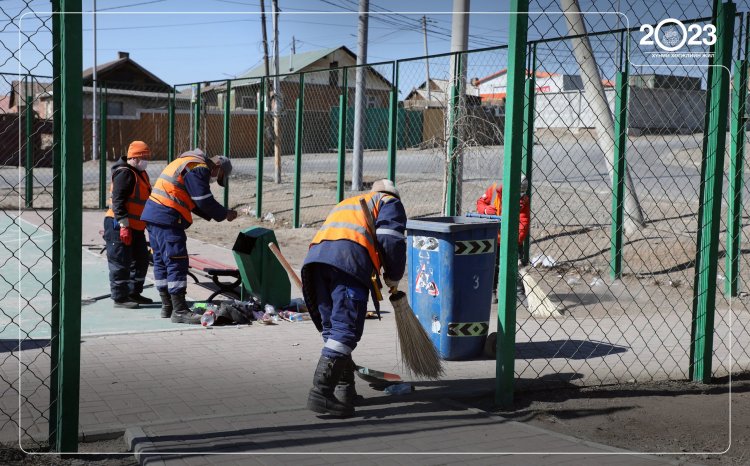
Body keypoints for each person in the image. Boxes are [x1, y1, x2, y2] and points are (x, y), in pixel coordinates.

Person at [301, 179, 407, 417]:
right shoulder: (389, 202)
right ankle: (321, 392)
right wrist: (393, 275)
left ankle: (343, 391)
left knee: (333, 329)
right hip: (348, 264)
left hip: (316, 262)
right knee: (345, 329)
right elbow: (391, 239)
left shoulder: (348, 203)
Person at [140, 149, 238, 324]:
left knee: (162, 261)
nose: (214, 180)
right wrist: (224, 214)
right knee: (176, 261)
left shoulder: (185, 162)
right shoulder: (198, 168)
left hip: (154, 215)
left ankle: (168, 306)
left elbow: (193, 202)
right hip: (167, 217)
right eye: (219, 176)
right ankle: (180, 311)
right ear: (217, 166)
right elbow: (203, 200)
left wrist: (217, 215)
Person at [104, 141, 153, 309]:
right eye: (143, 157)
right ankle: (120, 297)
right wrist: (124, 225)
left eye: (147, 157)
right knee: (120, 261)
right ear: (134, 157)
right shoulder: (124, 173)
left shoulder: (141, 174)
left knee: (141, 260)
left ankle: (133, 292)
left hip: (136, 226)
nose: (146, 160)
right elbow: (118, 201)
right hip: (119, 224)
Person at [476, 175, 531, 303]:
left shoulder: (523, 201)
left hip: (512, 237)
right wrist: (485, 210)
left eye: (521, 193)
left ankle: (518, 292)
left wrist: (516, 240)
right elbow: (480, 203)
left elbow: (524, 221)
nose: (519, 196)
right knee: (493, 265)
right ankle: (491, 292)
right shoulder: (494, 190)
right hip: (494, 236)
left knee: (515, 265)